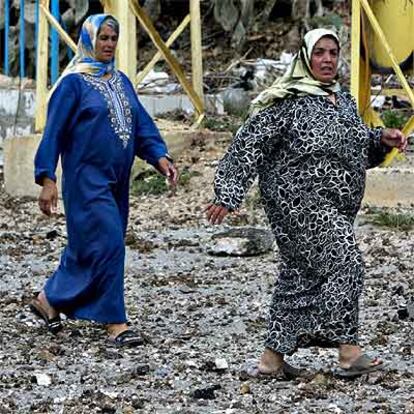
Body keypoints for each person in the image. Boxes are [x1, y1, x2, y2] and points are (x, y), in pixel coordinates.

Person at [206, 28, 407, 378]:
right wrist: (227, 193)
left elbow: (356, 146)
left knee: (298, 278)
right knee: (346, 263)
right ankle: (348, 353)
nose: (327, 59)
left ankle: (270, 364)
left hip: (336, 207)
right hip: (299, 205)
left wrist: (382, 139)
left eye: (333, 53)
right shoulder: (286, 101)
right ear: (305, 58)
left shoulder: (340, 99)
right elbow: (247, 145)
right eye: (320, 53)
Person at [31, 14, 177, 346]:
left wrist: (159, 157)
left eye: (113, 38)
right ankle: (115, 321)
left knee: (87, 247)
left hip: (116, 181)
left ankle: (48, 300)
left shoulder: (122, 82)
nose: (109, 44)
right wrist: (47, 178)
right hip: (86, 180)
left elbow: (140, 126)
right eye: (103, 38)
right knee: (110, 241)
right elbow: (52, 133)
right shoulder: (72, 84)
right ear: (88, 40)